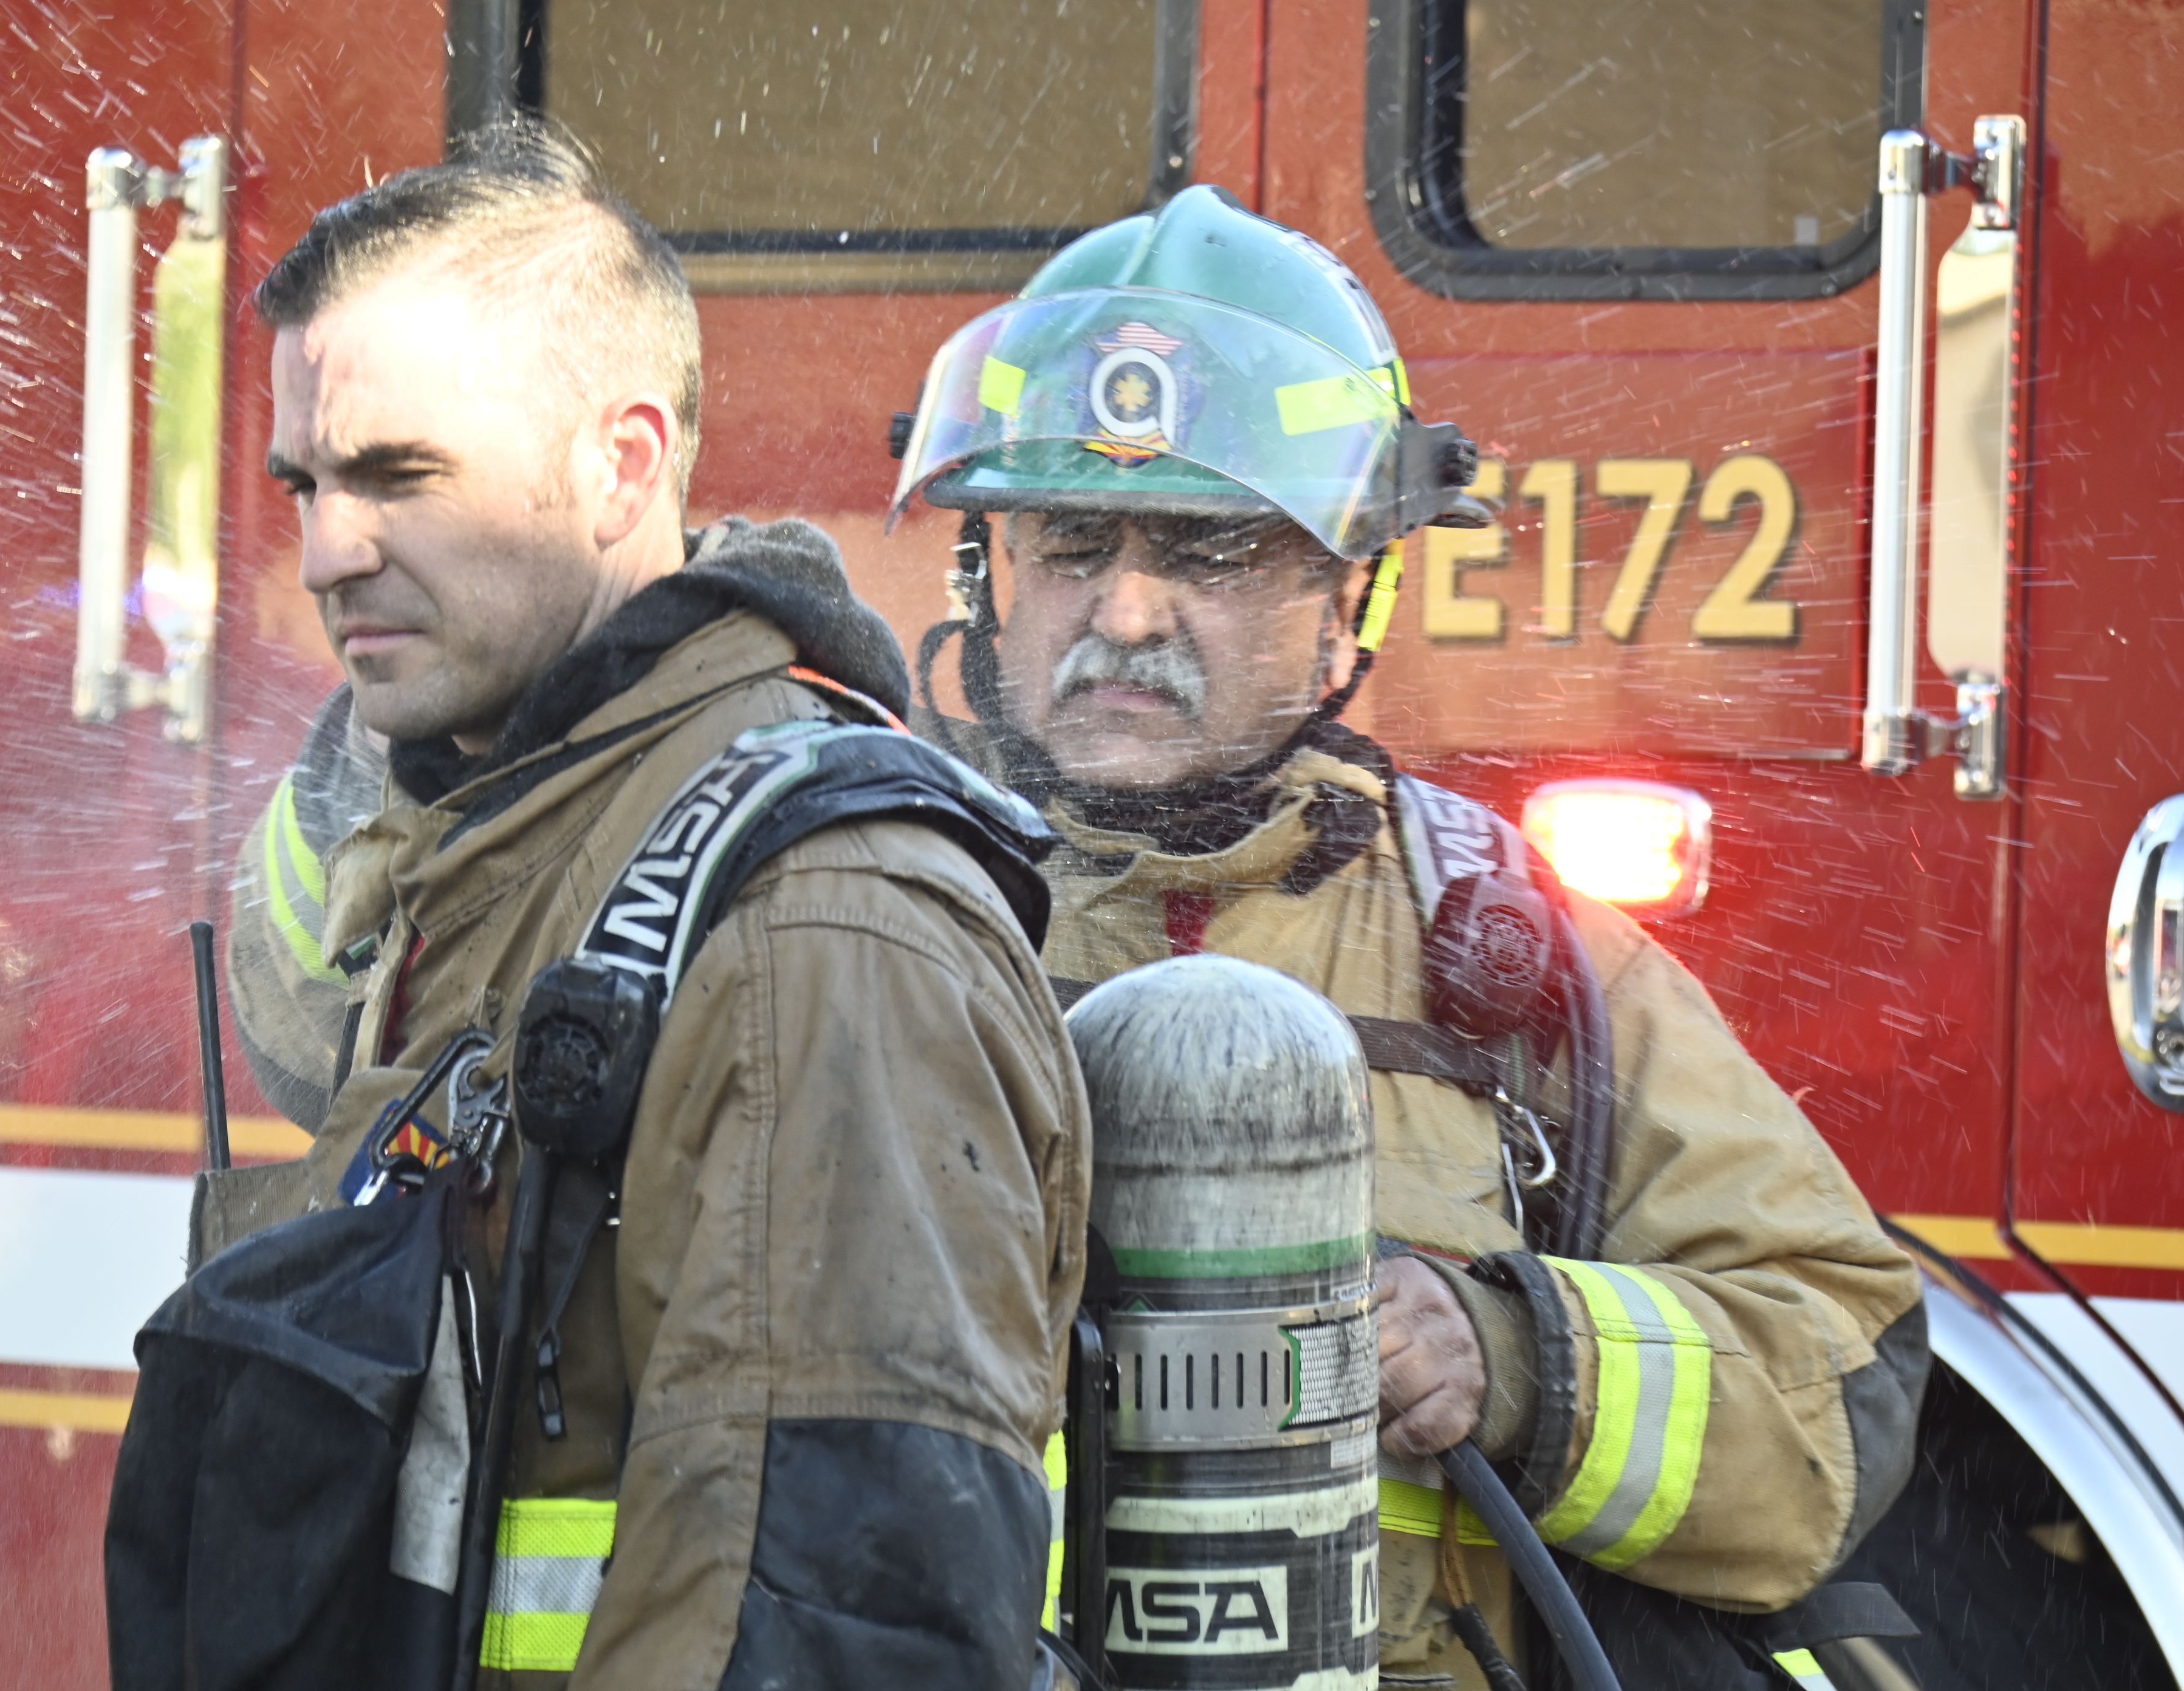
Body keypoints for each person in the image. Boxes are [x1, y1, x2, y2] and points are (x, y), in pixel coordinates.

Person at [892, 184, 1928, 1688]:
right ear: (987, 574)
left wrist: (1516, 1359)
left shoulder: (1508, 954)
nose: (1125, 613)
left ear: (1347, 592)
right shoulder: (877, 918)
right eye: (1069, 542)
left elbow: (1842, 1374)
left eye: (1211, 550)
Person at [236, 121, 1089, 1689]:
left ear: (621, 466)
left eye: (399, 476)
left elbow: (835, 1637)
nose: (326, 553)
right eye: (306, 485)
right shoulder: (504, 829)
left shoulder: (820, 935)